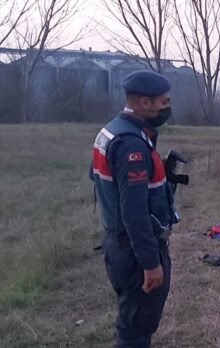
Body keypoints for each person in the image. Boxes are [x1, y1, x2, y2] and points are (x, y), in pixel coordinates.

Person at [90, 70, 176, 347]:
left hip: (118, 245)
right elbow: (134, 211)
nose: (167, 107)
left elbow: (100, 178)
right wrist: (151, 264)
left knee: (131, 319)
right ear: (144, 103)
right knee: (136, 330)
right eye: (163, 102)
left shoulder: (112, 130)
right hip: (134, 252)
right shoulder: (131, 145)